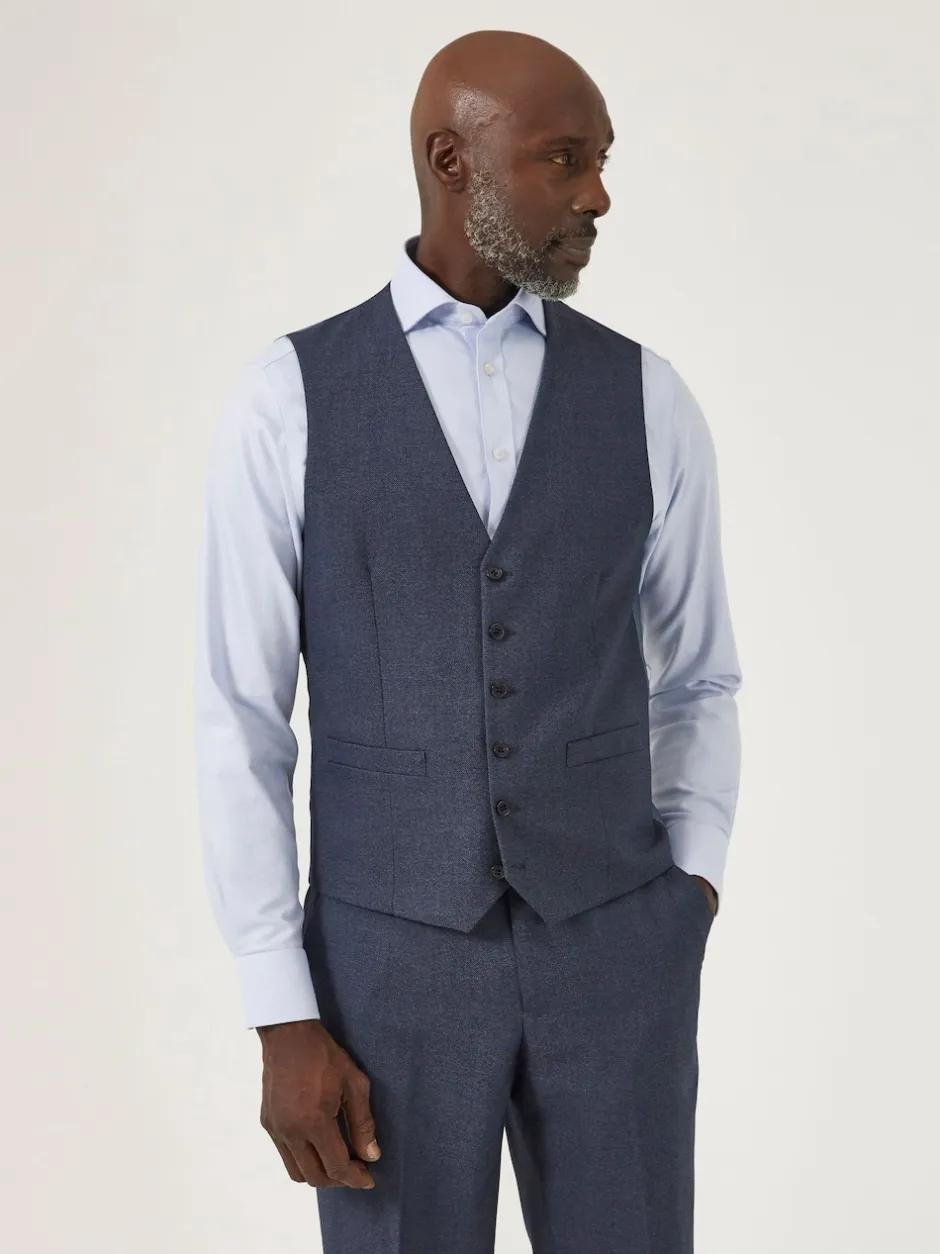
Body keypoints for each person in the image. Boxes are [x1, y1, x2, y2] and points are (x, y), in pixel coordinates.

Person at [194, 27, 743, 1254]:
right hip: (383, 967)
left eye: (601, 162)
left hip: (615, 948)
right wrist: (280, 1007)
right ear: (455, 162)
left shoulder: (648, 397)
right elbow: (239, 715)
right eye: (565, 159)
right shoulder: (288, 398)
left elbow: (699, 675)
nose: (597, 196)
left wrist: (687, 893)